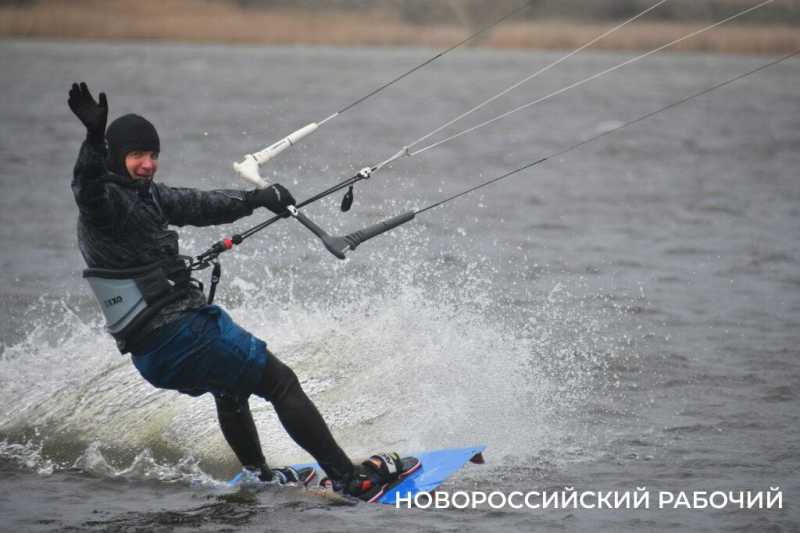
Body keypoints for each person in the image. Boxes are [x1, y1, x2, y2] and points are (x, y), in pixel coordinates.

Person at [68, 82, 417, 501]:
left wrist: (257, 198)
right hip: (179, 332)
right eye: (136, 155)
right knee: (281, 382)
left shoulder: (145, 195)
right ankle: (349, 479)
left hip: (153, 351)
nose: (147, 164)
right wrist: (91, 138)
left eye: (153, 155)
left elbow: (199, 205)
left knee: (230, 389)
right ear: (114, 156)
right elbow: (86, 188)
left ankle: (258, 477)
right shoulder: (104, 203)